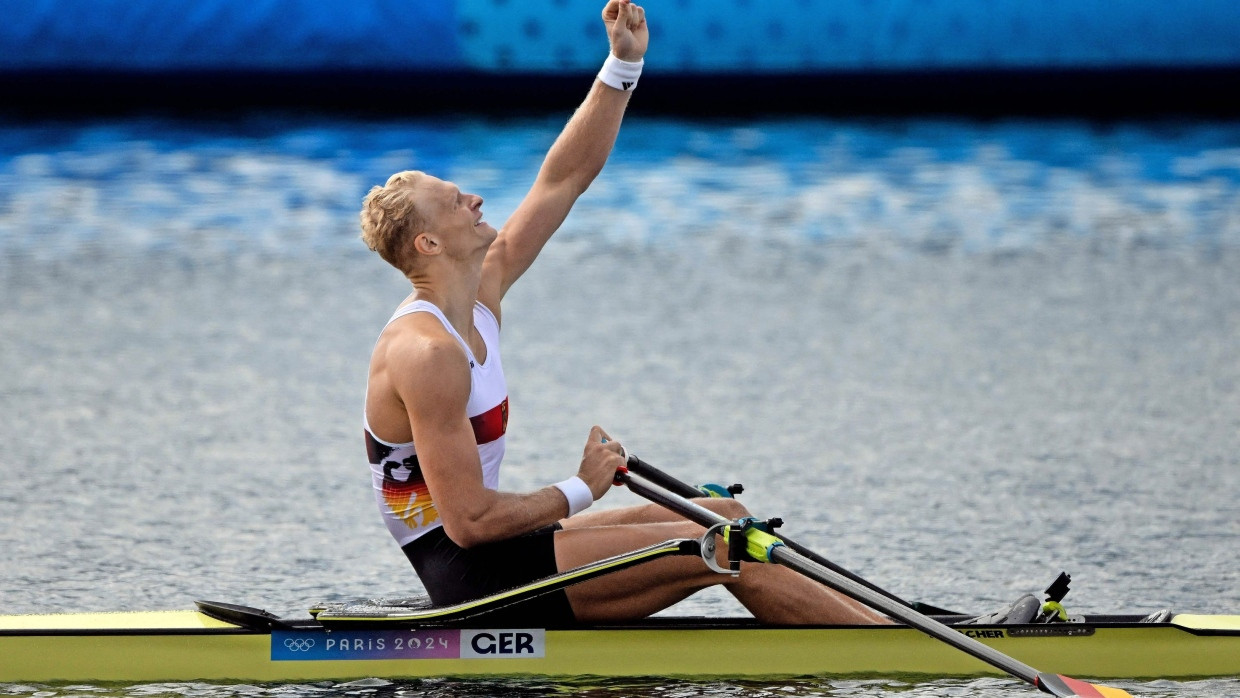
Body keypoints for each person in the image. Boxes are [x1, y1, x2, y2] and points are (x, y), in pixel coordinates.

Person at [358, 0, 889, 627]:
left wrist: (621, 65)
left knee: (727, 518)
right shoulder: (427, 351)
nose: (474, 197)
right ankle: (896, 651)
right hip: (476, 579)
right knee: (724, 547)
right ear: (429, 244)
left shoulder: (482, 291)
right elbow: (471, 524)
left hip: (508, 552)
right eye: (454, 202)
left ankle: (888, 630)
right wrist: (583, 486)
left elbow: (564, 179)